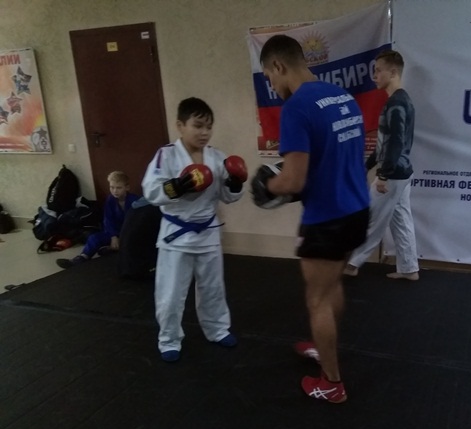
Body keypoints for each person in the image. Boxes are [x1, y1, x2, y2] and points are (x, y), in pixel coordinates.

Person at [251, 35, 370, 403]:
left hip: (327, 219)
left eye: (269, 77)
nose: (272, 86)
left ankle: (332, 383)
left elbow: (293, 181)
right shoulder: (342, 97)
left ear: (278, 65)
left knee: (317, 300)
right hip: (357, 210)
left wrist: (266, 185)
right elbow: (340, 157)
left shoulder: (297, 108)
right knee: (332, 287)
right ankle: (324, 346)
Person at [141, 97, 247, 363]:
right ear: (180, 125)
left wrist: (235, 184)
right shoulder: (166, 155)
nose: (204, 132)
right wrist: (176, 186)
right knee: (170, 294)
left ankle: (217, 329)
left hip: (208, 232)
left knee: (213, 288)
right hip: (176, 236)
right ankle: (169, 339)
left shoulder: (217, 157)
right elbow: (151, 190)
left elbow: (227, 196)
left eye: (209, 127)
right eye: (198, 126)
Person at [343, 50, 420, 281]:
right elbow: (385, 143)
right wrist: (366, 166)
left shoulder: (396, 103)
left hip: (393, 174)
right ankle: (410, 269)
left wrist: (383, 175)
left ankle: (352, 264)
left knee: (370, 219)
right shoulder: (399, 101)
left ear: (393, 72)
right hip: (401, 172)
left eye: (378, 71)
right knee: (401, 220)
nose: (374, 76)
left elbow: (395, 142)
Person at [56, 171, 139, 268]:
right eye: (112, 187)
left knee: (135, 243)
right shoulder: (110, 199)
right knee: (94, 238)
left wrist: (123, 237)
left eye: (119, 188)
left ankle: (115, 249)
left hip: (130, 233)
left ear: (127, 187)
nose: (115, 191)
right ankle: (82, 257)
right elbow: (108, 219)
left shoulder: (135, 200)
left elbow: (136, 223)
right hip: (114, 232)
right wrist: (113, 236)